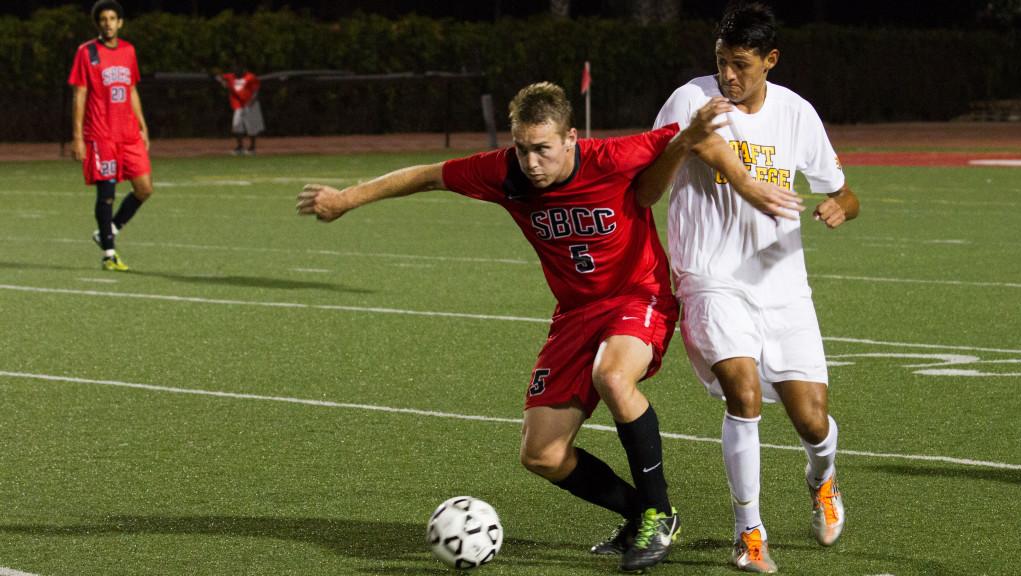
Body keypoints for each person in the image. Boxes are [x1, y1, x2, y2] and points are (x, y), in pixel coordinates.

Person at [296, 82, 799, 572]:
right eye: (521, 149)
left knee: (614, 376)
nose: (531, 163)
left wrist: (748, 183)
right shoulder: (503, 173)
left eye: (542, 149)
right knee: (542, 454)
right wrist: (346, 200)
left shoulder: (611, 157)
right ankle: (638, 513)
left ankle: (658, 513)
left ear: (570, 139)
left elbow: (696, 139)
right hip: (575, 314)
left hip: (638, 295)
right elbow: (428, 175)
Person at [641, 2, 861, 573]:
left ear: (770, 60)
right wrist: (712, 161)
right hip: (711, 278)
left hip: (782, 284)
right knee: (742, 395)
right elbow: (647, 183)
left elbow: (844, 190)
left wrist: (840, 203)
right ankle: (750, 531)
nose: (728, 76)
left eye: (740, 64)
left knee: (813, 421)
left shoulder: (796, 112)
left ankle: (823, 477)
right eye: (720, 62)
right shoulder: (690, 99)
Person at [69, 0, 153, 271]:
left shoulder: (129, 51)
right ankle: (109, 252)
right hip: (101, 134)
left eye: (113, 18)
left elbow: (131, 89)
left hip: (128, 133)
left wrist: (142, 124)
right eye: (103, 19)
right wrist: (78, 136)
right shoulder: (87, 52)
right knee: (106, 194)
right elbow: (80, 94)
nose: (108, 23)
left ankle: (109, 229)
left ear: (120, 22)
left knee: (144, 188)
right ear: (98, 24)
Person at [217, 64, 264, 155]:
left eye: (238, 71)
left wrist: (251, 102)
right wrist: (223, 82)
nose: (236, 73)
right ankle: (240, 147)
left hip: (250, 105)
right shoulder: (231, 76)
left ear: (243, 70)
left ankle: (252, 147)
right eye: (235, 72)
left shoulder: (250, 77)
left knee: (251, 128)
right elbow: (218, 77)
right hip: (238, 105)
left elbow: (256, 91)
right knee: (236, 125)